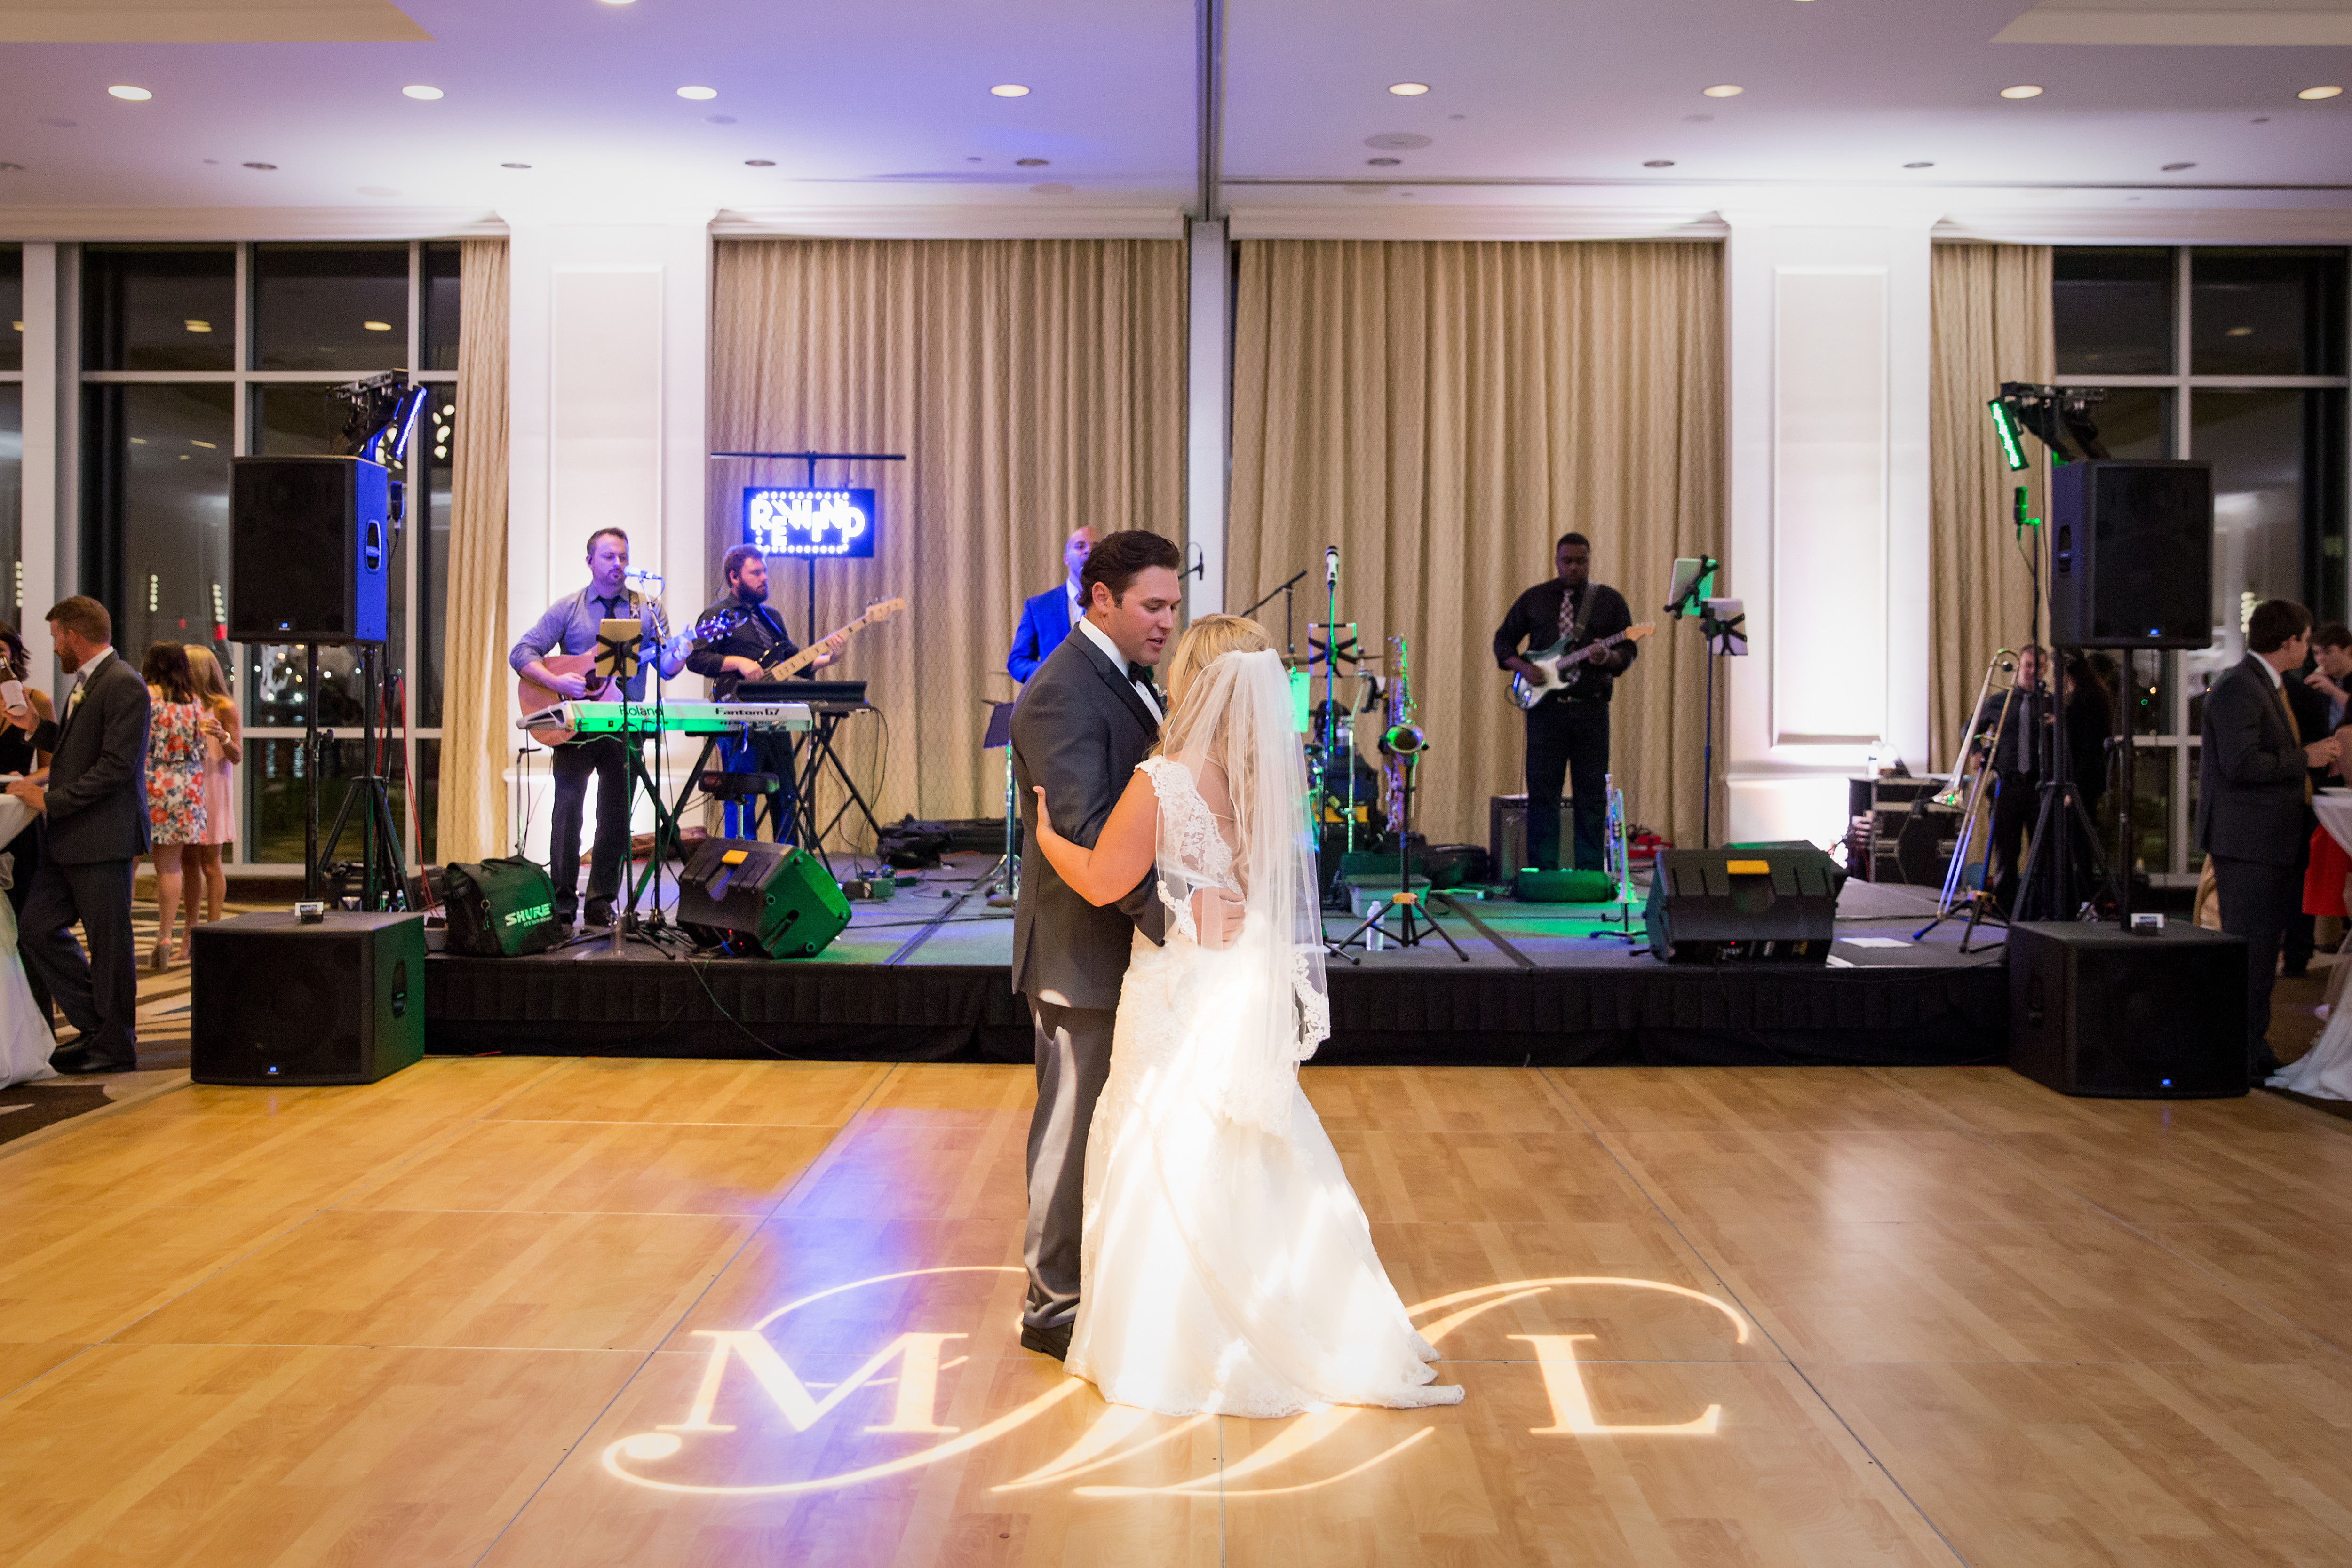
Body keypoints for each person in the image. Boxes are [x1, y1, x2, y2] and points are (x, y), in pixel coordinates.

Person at [1028, 614, 1463, 1415]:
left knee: (1159, 1136)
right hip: (1238, 983)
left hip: (1178, 984)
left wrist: (1047, 836)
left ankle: (1172, 1340)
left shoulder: (1166, 777)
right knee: (1250, 1145)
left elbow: (1102, 879)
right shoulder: (1268, 785)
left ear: (1195, 681)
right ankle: (1293, 1313)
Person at [1009, 527, 1204, 1363]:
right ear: (1101, 599)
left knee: (1113, 1129)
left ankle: (1107, 1283)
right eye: (1152, 605)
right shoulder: (1062, 690)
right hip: (1080, 952)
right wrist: (1184, 920)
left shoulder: (1128, 676)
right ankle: (1051, 1306)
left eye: (1173, 606)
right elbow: (1087, 839)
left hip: (1126, 951)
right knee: (1069, 1131)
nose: (1167, 621)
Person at [509, 528, 690, 928]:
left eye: (624, 557)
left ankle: (600, 901)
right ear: (590, 561)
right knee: (567, 812)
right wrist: (559, 681)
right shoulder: (569, 608)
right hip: (575, 726)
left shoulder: (646, 609)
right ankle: (561, 902)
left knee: (615, 817)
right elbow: (521, 652)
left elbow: (668, 668)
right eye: (609, 557)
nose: (618, 565)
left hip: (625, 725)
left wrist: (682, 651)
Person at [5, 596, 152, 1075]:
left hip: (103, 836)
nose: (53, 648)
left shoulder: (123, 683)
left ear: (74, 635)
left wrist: (50, 800)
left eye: (56, 638)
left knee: (110, 946)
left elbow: (116, 767)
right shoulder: (89, 682)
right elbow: (76, 749)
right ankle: (97, 1026)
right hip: (72, 837)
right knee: (36, 929)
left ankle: (116, 1044)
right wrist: (35, 728)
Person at [2199, 599, 2340, 1081]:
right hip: (2247, 842)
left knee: (2261, 954)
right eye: (2306, 640)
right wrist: (2305, 758)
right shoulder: (2240, 687)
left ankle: (2252, 1049)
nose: (2309, 649)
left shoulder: (2264, 684)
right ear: (2288, 641)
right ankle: (2236, 1055)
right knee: (2251, 954)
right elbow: (2241, 764)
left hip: (2264, 839)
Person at [1492, 533, 1638, 872]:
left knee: (1591, 793)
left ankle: (1590, 872)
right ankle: (1544, 872)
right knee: (1543, 794)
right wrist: (1524, 668)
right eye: (1567, 561)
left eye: (1580, 561)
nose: (1573, 567)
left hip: (1591, 708)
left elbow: (1628, 651)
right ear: (1557, 561)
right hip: (1546, 712)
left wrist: (1608, 657)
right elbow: (1502, 643)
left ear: (1590, 560)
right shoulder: (1535, 598)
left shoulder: (1609, 601)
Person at [685, 545, 839, 841]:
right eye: (756, 572)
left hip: (776, 719)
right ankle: (742, 863)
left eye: (764, 571)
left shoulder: (772, 618)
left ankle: (786, 862)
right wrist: (738, 663)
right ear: (734, 577)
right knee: (741, 798)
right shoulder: (718, 615)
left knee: (787, 796)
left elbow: (796, 662)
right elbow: (696, 659)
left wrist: (832, 657)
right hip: (739, 720)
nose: (764, 577)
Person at [0, 621, 57, 1028]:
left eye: (2, 653)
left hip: (19, 818)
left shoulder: (36, 700)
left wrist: (22, 785)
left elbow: (52, 767)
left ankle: (39, 1025)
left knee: (27, 924)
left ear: (14, 656)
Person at [140, 643, 209, 969]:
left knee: (128, 863)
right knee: (170, 868)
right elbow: (201, 749)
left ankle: (120, 936)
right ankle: (166, 936)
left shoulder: (146, 697)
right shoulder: (194, 702)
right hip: (186, 786)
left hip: (150, 782)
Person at [183, 644, 239, 930]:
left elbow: (237, 756)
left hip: (213, 785)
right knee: (188, 863)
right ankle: (190, 931)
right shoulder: (181, 704)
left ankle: (214, 928)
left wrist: (223, 736)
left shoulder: (224, 707)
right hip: (187, 785)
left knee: (210, 862)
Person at [1008, 526, 1094, 683]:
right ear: (1066, 559)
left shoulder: (1114, 603)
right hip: (1055, 695)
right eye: (1080, 546)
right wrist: (1051, 672)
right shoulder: (1038, 607)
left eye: (1096, 547)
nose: (1089, 551)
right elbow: (1017, 662)